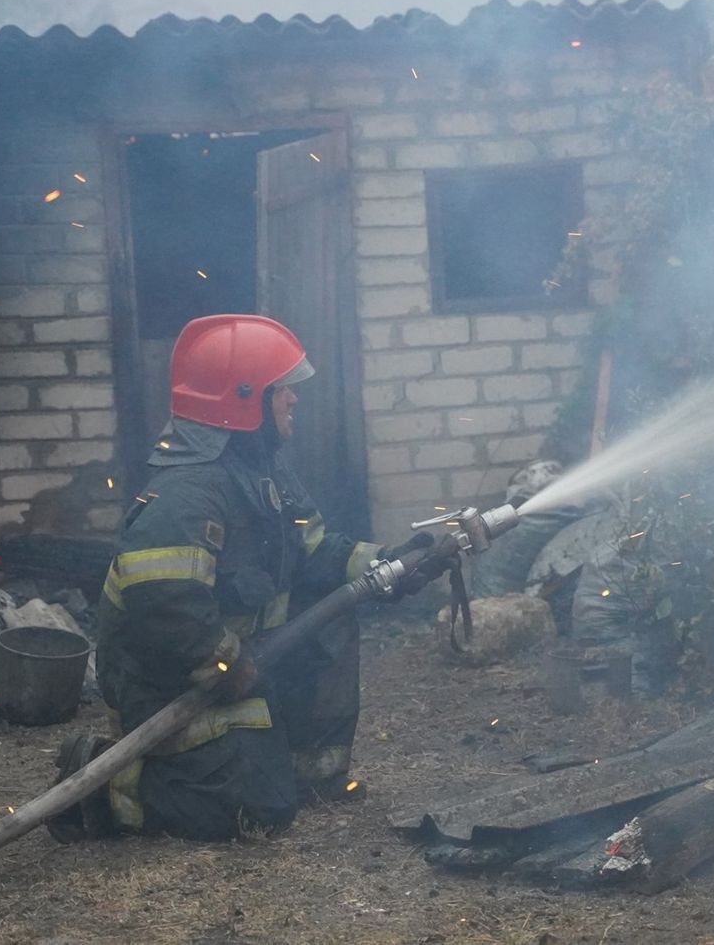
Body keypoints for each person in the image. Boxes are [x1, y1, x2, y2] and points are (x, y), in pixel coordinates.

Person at [50, 314, 430, 842]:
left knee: (331, 616)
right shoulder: (189, 494)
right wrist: (224, 663)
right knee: (254, 812)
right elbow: (164, 602)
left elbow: (315, 551)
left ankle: (304, 775)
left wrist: (393, 565)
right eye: (282, 391)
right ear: (245, 400)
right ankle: (108, 789)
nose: (293, 401)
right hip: (171, 679)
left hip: (241, 658)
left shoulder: (265, 470)